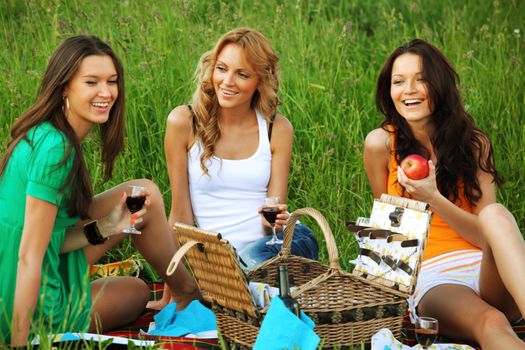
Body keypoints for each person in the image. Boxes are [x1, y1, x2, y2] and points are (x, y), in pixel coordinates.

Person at [0, 35, 198, 347]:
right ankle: (189, 292)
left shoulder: (44, 132)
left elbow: (50, 237)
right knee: (137, 293)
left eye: (112, 81)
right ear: (64, 86)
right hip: (29, 300)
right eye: (91, 82)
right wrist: (19, 342)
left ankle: (187, 291)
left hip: (30, 269)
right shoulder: (56, 149)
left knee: (142, 193)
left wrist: (108, 227)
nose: (105, 93)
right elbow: (28, 256)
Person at [363, 38, 525, 349]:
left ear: (439, 86)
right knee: (491, 322)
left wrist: (434, 199)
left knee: (496, 214)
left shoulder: (473, 144)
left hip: (488, 268)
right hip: (436, 276)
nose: (408, 90)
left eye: (421, 79)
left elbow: (486, 238)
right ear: (389, 91)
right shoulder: (380, 145)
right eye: (399, 81)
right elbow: (389, 233)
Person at [149, 27, 319, 309]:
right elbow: (179, 216)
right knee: (240, 279)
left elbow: (273, 214)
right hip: (223, 261)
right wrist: (172, 295)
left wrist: (272, 223)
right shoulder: (184, 122)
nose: (227, 81)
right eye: (221, 69)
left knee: (259, 266)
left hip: (275, 249)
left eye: (242, 74)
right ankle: (268, 293)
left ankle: (267, 291)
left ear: (259, 81)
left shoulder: (277, 128)